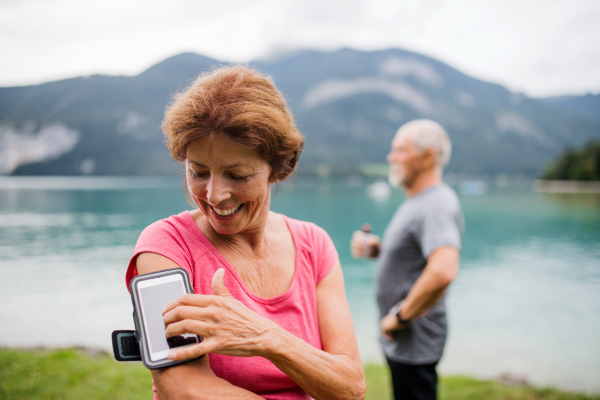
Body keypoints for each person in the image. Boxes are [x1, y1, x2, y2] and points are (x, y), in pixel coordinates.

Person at [126, 65, 366, 400]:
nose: (213, 195)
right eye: (197, 172)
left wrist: (265, 336)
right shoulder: (165, 246)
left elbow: (351, 387)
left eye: (236, 175)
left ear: (280, 168)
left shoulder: (315, 245)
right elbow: (182, 388)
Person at [351, 119, 463, 400]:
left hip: (413, 336)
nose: (391, 157)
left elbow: (443, 270)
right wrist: (381, 250)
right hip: (405, 340)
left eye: (400, 150)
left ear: (427, 157)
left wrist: (399, 317)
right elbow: (419, 257)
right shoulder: (419, 200)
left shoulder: (437, 203)